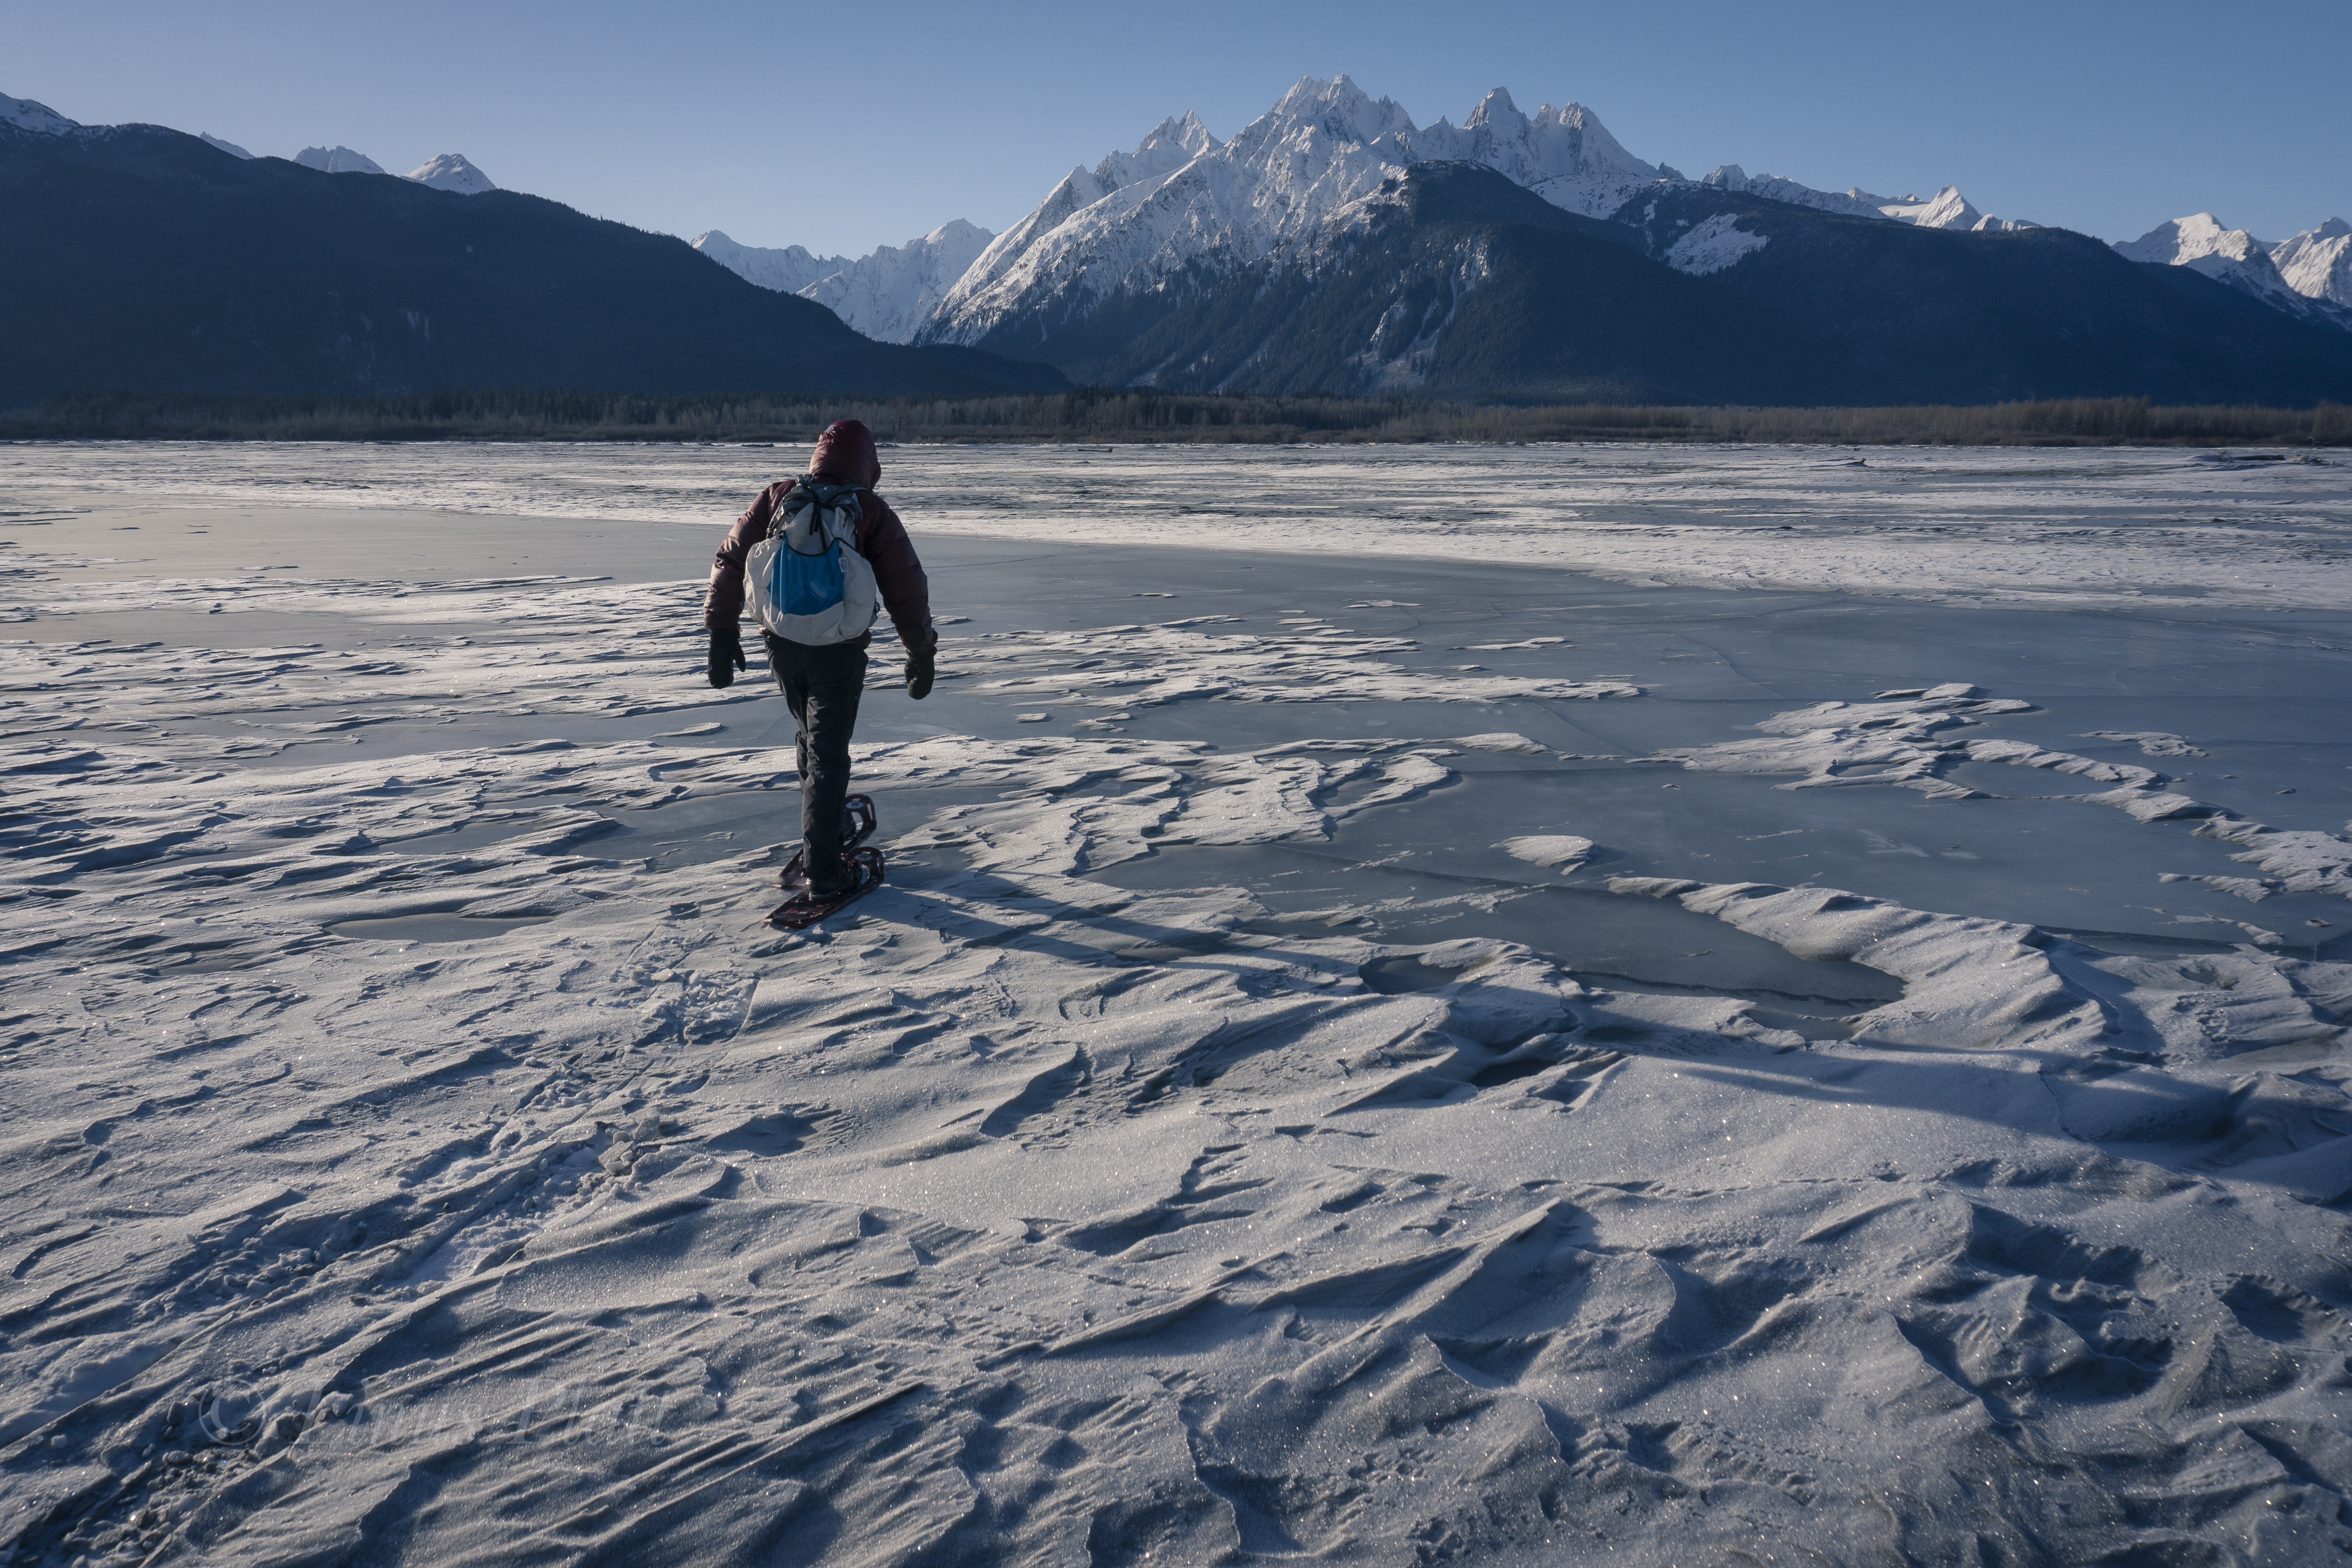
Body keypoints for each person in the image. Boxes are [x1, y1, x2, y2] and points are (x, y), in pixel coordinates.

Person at [702, 419, 937, 897]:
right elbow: (905, 587)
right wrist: (920, 652)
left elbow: (730, 559)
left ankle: (822, 828)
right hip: (840, 654)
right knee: (828, 753)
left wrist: (722, 632)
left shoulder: (779, 496)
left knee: (812, 739)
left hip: (782, 646)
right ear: (868, 464)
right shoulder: (869, 510)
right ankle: (825, 870)